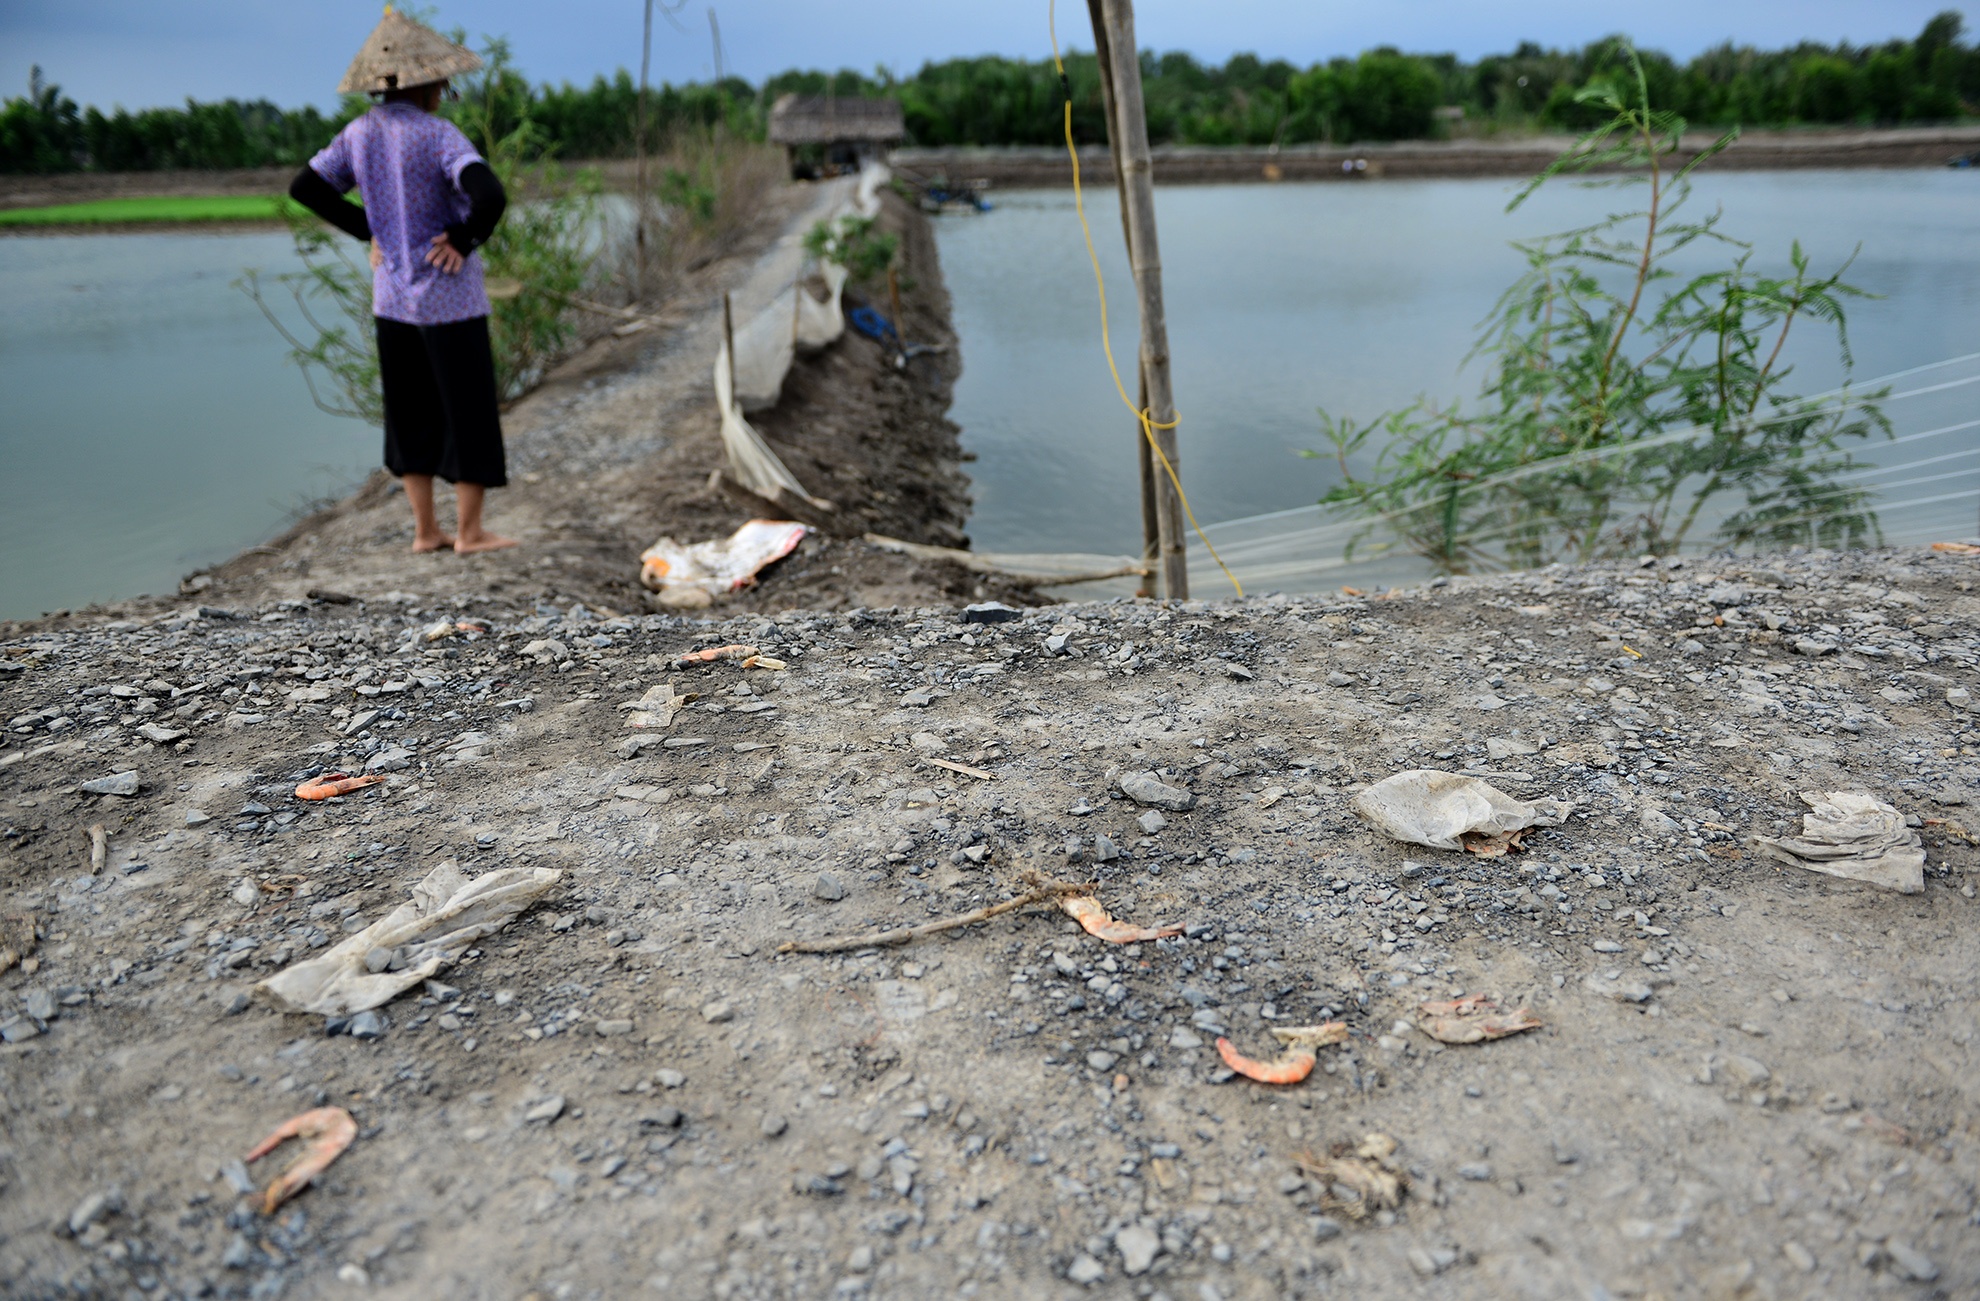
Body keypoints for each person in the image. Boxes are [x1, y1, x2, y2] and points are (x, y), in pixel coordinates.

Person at [287, 9, 517, 554]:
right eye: (443, 83)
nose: (445, 91)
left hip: (392, 300)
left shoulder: (358, 133)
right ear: (427, 83)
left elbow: (306, 187)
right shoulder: (438, 134)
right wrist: (462, 238)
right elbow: (491, 196)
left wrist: (371, 231)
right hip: (449, 300)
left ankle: (424, 532)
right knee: (467, 410)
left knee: (409, 410)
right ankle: (470, 532)